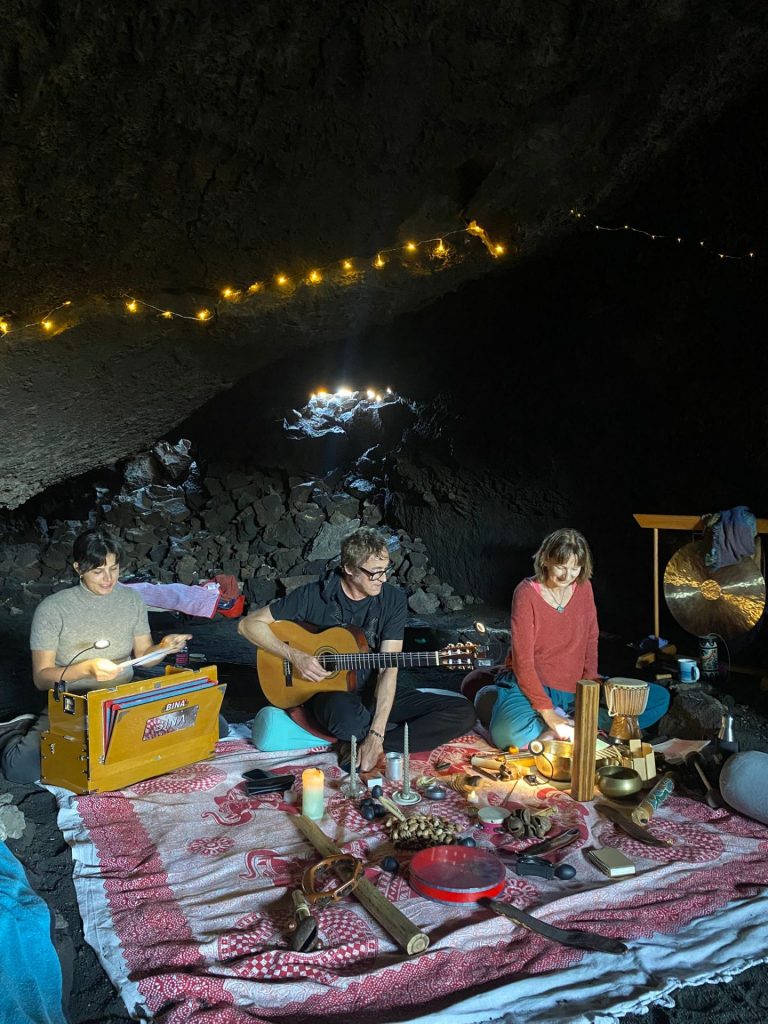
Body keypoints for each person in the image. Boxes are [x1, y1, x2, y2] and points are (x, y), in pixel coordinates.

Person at [238, 527, 476, 772]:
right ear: (349, 569)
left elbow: (388, 670)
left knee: (463, 712)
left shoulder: (392, 600)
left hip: (372, 691)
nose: (383, 579)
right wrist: (295, 656)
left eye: (386, 570)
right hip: (331, 696)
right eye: (375, 573)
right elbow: (248, 626)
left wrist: (376, 735)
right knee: (342, 715)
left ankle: (364, 745)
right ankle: (362, 737)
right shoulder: (313, 596)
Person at [0, 528, 192, 784]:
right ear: (79, 568)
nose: (108, 579)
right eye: (98, 571)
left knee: (202, 725)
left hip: (123, 695)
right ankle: (13, 730)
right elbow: (41, 679)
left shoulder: (131, 600)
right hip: (73, 702)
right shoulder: (53, 609)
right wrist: (86, 669)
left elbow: (145, 655)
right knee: (20, 770)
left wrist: (162, 648)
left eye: (114, 569)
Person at [490, 528, 670, 750]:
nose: (568, 576)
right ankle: (563, 725)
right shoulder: (526, 593)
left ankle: (564, 727)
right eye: (561, 567)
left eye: (575, 568)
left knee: (659, 699)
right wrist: (547, 712)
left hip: (575, 687)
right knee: (506, 734)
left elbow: (591, 638)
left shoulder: (584, 588)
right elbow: (523, 661)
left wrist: (590, 685)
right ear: (545, 559)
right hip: (533, 683)